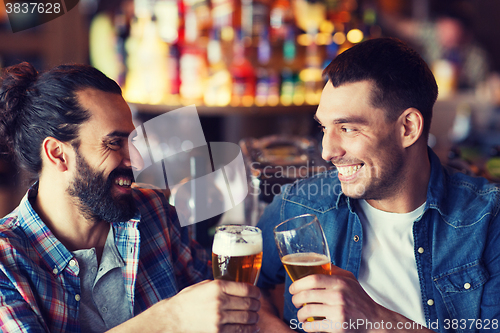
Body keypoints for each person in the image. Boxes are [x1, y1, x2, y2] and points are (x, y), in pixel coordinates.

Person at [256, 38, 500, 332]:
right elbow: (242, 294)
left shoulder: (488, 221)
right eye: (324, 128)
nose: (327, 151)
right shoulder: (299, 205)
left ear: (407, 127)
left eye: (347, 128)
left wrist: (374, 319)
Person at [0, 62, 260, 333]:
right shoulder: (7, 262)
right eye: (114, 142)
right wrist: (172, 318)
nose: (136, 160)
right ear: (57, 154)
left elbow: (229, 301)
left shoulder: (152, 211)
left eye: (133, 141)